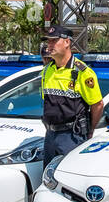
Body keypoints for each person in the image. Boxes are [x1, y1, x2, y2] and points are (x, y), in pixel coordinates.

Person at [40, 26, 102, 166]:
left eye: (54, 41)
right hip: (50, 135)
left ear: (67, 42)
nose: (49, 45)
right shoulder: (47, 71)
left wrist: (90, 130)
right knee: (48, 178)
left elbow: (97, 105)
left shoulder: (82, 72)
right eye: (48, 41)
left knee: (67, 177)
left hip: (72, 136)